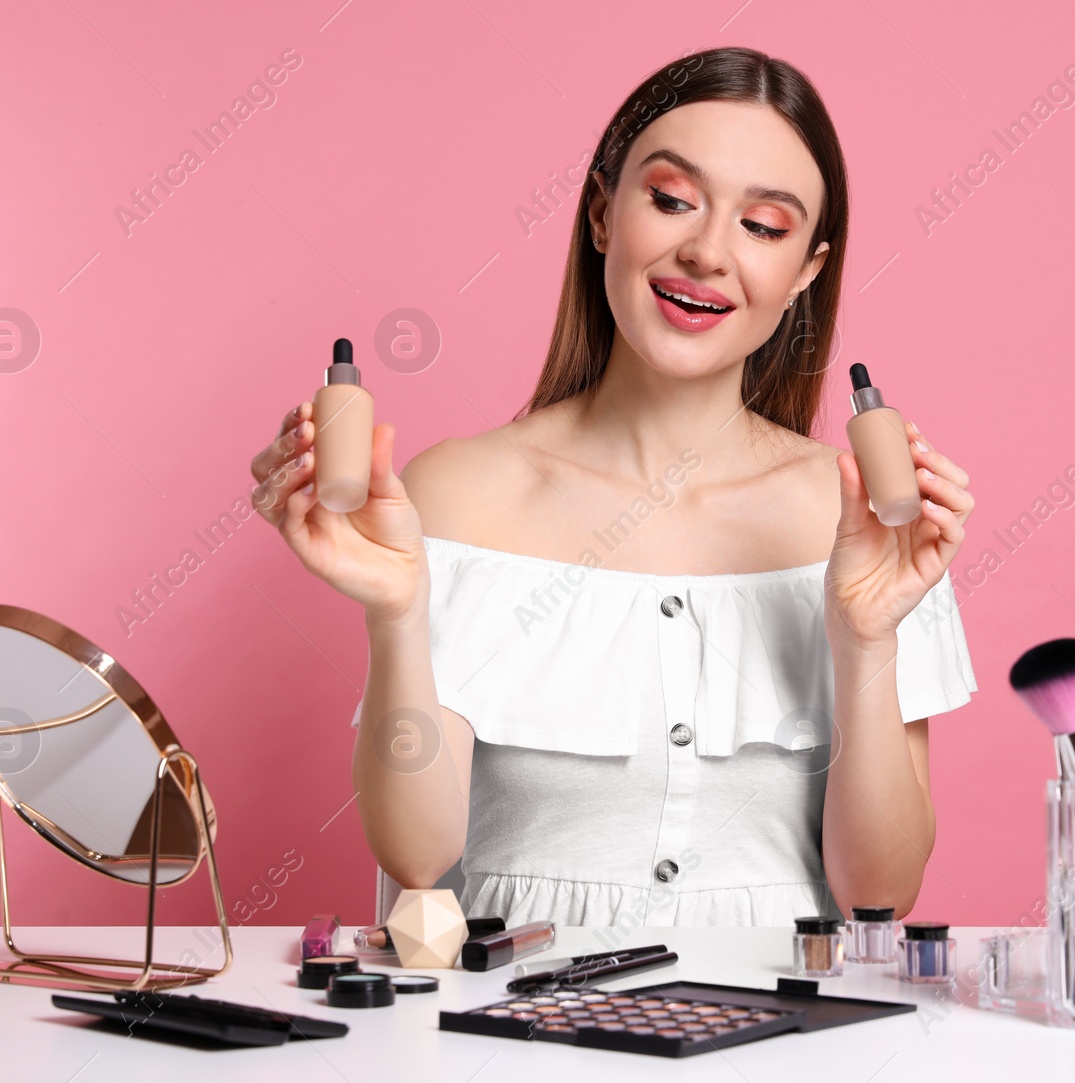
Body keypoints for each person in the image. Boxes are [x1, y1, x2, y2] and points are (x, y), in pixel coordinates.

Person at [250, 46, 976, 926]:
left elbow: (883, 892)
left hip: (783, 1040)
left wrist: (866, 639)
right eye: (672, 200)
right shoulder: (457, 493)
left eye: (765, 226)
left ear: (807, 274)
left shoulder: (866, 518)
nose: (707, 252)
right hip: (518, 1038)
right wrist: (396, 613)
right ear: (602, 214)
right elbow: (417, 853)